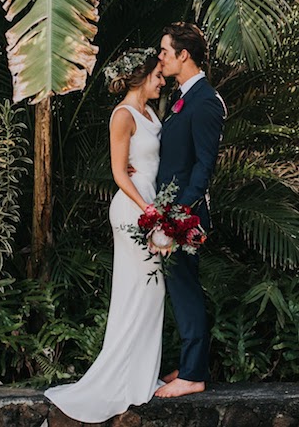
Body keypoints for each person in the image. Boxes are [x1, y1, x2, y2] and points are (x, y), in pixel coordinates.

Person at [44, 48, 167, 422]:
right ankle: (123, 380)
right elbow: (118, 172)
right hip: (133, 207)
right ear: (141, 77)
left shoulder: (150, 114)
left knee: (150, 291)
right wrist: (147, 209)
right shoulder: (123, 115)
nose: (163, 82)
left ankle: (139, 376)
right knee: (142, 289)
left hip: (151, 203)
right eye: (158, 76)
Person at [154, 22, 226, 398]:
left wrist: (177, 216)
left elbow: (203, 167)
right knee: (180, 287)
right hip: (172, 212)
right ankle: (189, 363)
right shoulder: (184, 98)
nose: (161, 58)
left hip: (185, 216)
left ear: (184, 55)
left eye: (165, 51)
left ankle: (194, 374)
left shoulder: (206, 101)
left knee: (185, 290)